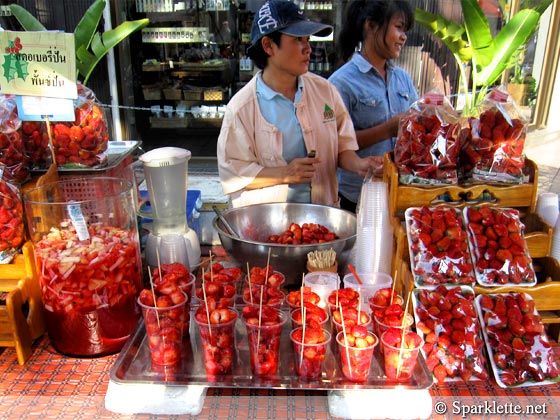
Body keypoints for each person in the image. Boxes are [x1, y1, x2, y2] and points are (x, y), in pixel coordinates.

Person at [217, 0, 379, 208]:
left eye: (307, 39)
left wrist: (359, 164)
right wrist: (284, 174)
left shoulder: (325, 91)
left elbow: (342, 146)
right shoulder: (242, 109)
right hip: (271, 226)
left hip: (321, 218)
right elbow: (233, 173)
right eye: (297, 40)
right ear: (268, 46)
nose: (308, 49)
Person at [328, 0, 418, 212]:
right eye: (398, 27)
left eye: (405, 30)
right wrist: (388, 129)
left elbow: (417, 128)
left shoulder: (402, 78)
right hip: (357, 198)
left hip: (399, 192)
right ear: (370, 25)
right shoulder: (341, 83)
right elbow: (333, 144)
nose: (403, 37)